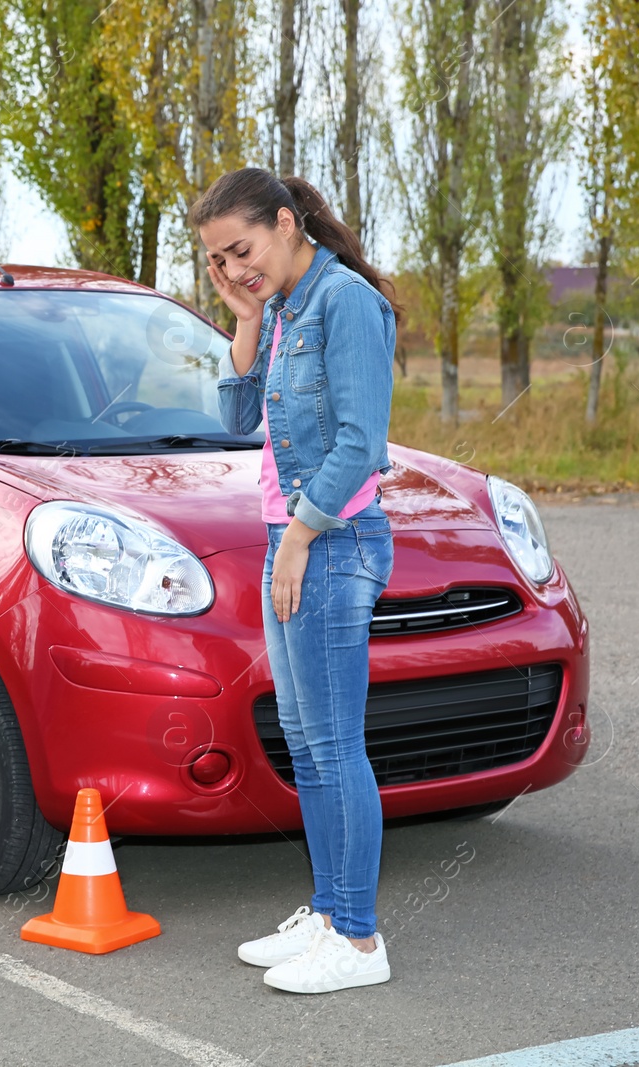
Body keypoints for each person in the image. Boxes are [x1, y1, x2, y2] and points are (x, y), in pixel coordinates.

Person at [189, 168, 403, 995]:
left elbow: (360, 440)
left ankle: (356, 939)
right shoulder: (281, 308)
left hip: (333, 539)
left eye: (243, 250)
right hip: (298, 537)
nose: (237, 269)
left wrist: (299, 538)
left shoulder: (344, 302)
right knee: (309, 744)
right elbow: (236, 421)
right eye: (218, 261)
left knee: (337, 743)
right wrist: (245, 321)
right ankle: (327, 909)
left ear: (285, 222)